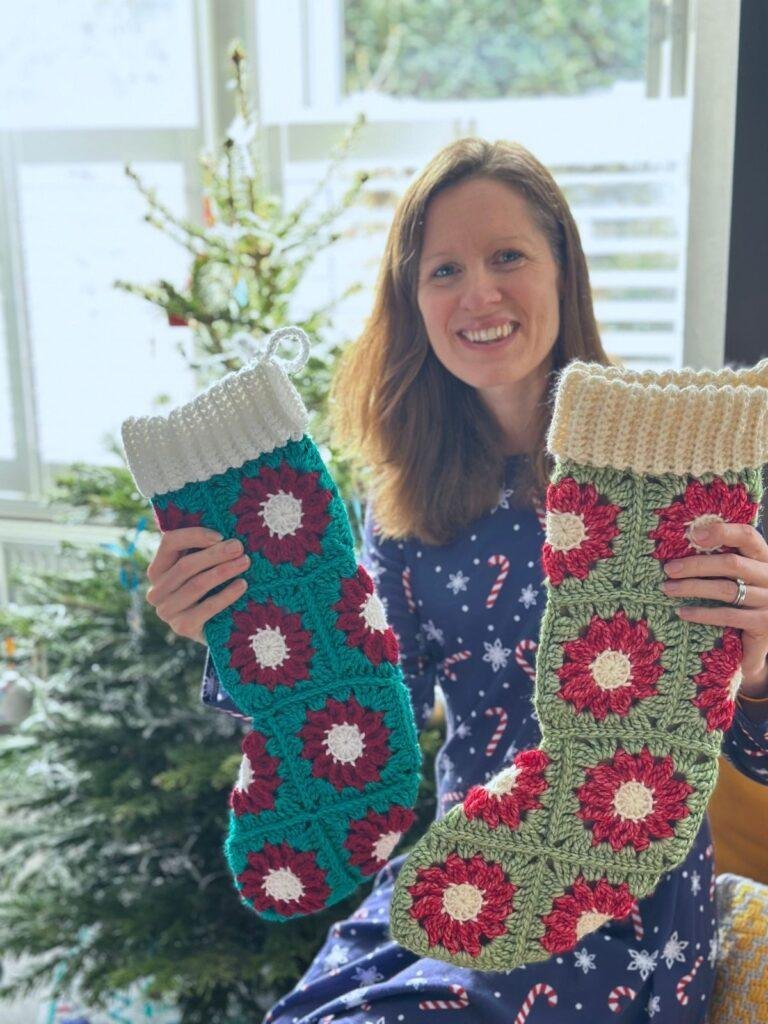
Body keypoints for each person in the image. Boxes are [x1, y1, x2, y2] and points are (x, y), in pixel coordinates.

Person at [145, 138, 768, 1023]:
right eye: (444, 270)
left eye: (508, 256)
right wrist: (237, 631)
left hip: (629, 891)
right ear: (414, 303)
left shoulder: (668, 475)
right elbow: (371, 720)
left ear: (563, 270)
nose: (479, 294)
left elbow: (747, 752)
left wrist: (756, 669)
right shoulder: (405, 495)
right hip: (464, 867)